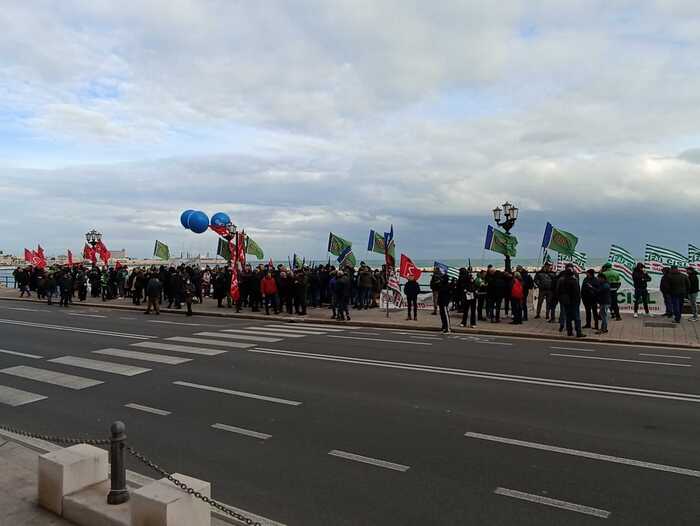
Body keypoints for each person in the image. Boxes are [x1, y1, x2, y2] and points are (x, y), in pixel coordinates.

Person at [556, 264, 585, 337]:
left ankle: (569, 332)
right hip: (574, 302)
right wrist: (578, 301)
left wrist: (560, 298)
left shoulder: (562, 280)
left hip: (565, 301)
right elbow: (576, 292)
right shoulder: (574, 281)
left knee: (568, 317)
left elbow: (558, 290)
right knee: (577, 318)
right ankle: (578, 332)